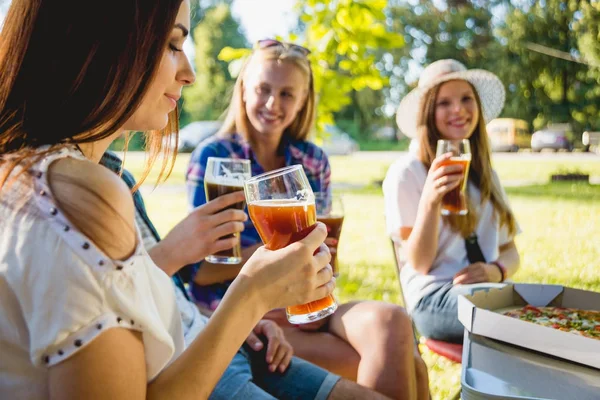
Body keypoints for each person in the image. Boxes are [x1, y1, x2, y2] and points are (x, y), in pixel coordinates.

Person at [0, 1, 387, 398]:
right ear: (99, 44)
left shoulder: (46, 171)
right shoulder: (79, 192)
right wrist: (250, 296)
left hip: (220, 336)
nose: (189, 73)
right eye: (171, 45)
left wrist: (232, 313)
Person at [186, 39, 429, 400]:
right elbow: (200, 269)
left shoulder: (311, 159)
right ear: (243, 91)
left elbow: (323, 255)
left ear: (303, 101)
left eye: (287, 94)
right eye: (263, 89)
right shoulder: (218, 158)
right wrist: (277, 262)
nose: (273, 103)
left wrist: (319, 258)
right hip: (245, 316)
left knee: (393, 320)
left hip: (309, 306)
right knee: (408, 362)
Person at [100, 150, 340, 399]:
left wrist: (235, 320)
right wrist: (172, 253)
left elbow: (167, 299)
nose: (174, 108)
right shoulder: (79, 188)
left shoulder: (117, 173)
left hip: (219, 333)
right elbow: (110, 310)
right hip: (186, 361)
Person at [382, 59, 521, 344]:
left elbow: (511, 252)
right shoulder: (408, 172)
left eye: (465, 99)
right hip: (434, 298)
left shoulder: (486, 176)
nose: (457, 109)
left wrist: (495, 270)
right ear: (428, 113)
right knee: (517, 322)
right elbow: (419, 264)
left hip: (485, 293)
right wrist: (430, 202)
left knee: (543, 309)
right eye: (444, 102)